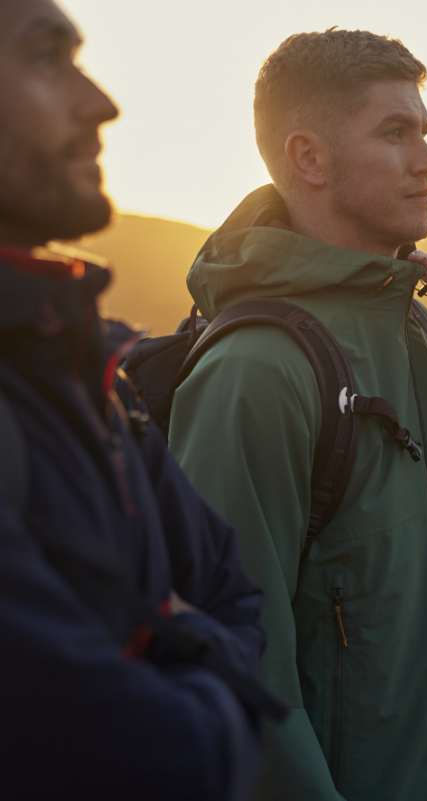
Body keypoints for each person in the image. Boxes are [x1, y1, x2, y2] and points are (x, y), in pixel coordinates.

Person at [169, 29, 427, 801]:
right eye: (395, 133)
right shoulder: (255, 371)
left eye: (424, 130)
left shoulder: (419, 330)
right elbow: (234, 672)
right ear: (308, 158)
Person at [0, 1, 278, 798]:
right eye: (45, 57)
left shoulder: (91, 373)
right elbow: (152, 758)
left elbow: (234, 590)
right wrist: (193, 644)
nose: (102, 103)